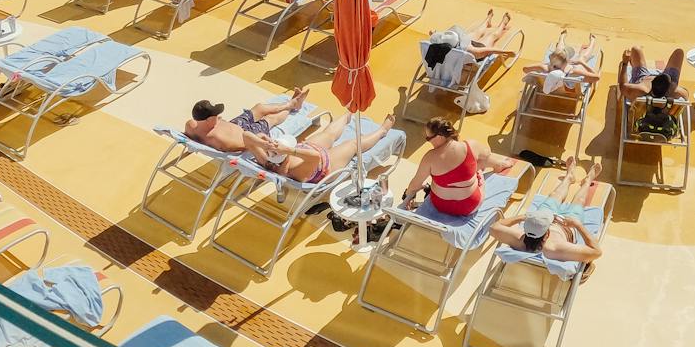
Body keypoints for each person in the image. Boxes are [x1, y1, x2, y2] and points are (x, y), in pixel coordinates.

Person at [486, 157, 604, 273]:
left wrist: (523, 217)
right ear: (547, 234)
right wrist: (578, 225)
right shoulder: (556, 248)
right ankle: (587, 182)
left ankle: (569, 177)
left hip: (543, 218)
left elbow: (494, 227)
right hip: (567, 226)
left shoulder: (519, 239)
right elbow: (596, 252)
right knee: (578, 202)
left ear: (526, 230)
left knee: (554, 195)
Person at [238, 112, 399, 183]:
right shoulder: (292, 170)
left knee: (329, 133)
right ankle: (382, 131)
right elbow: (315, 157)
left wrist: (264, 142)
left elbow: (246, 136)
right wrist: (288, 150)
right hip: (325, 165)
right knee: (353, 144)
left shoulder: (267, 160)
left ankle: (346, 115)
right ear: (283, 153)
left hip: (306, 150)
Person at [400, 118, 518, 214]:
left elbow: (415, 184)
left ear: (440, 137)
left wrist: (408, 195)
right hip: (469, 206)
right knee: (478, 163)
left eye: (428, 138)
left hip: (441, 205)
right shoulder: (470, 146)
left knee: (441, 176)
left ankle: (493, 165)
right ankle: (501, 164)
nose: (428, 142)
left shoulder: (429, 158)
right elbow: (487, 154)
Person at [185, 90, 310, 152]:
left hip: (235, 124)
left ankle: (289, 104)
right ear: (208, 120)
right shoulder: (219, 139)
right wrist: (260, 141)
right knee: (270, 118)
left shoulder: (191, 125)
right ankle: (293, 106)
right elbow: (245, 145)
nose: (219, 116)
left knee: (259, 107)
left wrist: (218, 121)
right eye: (216, 115)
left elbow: (197, 134)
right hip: (249, 134)